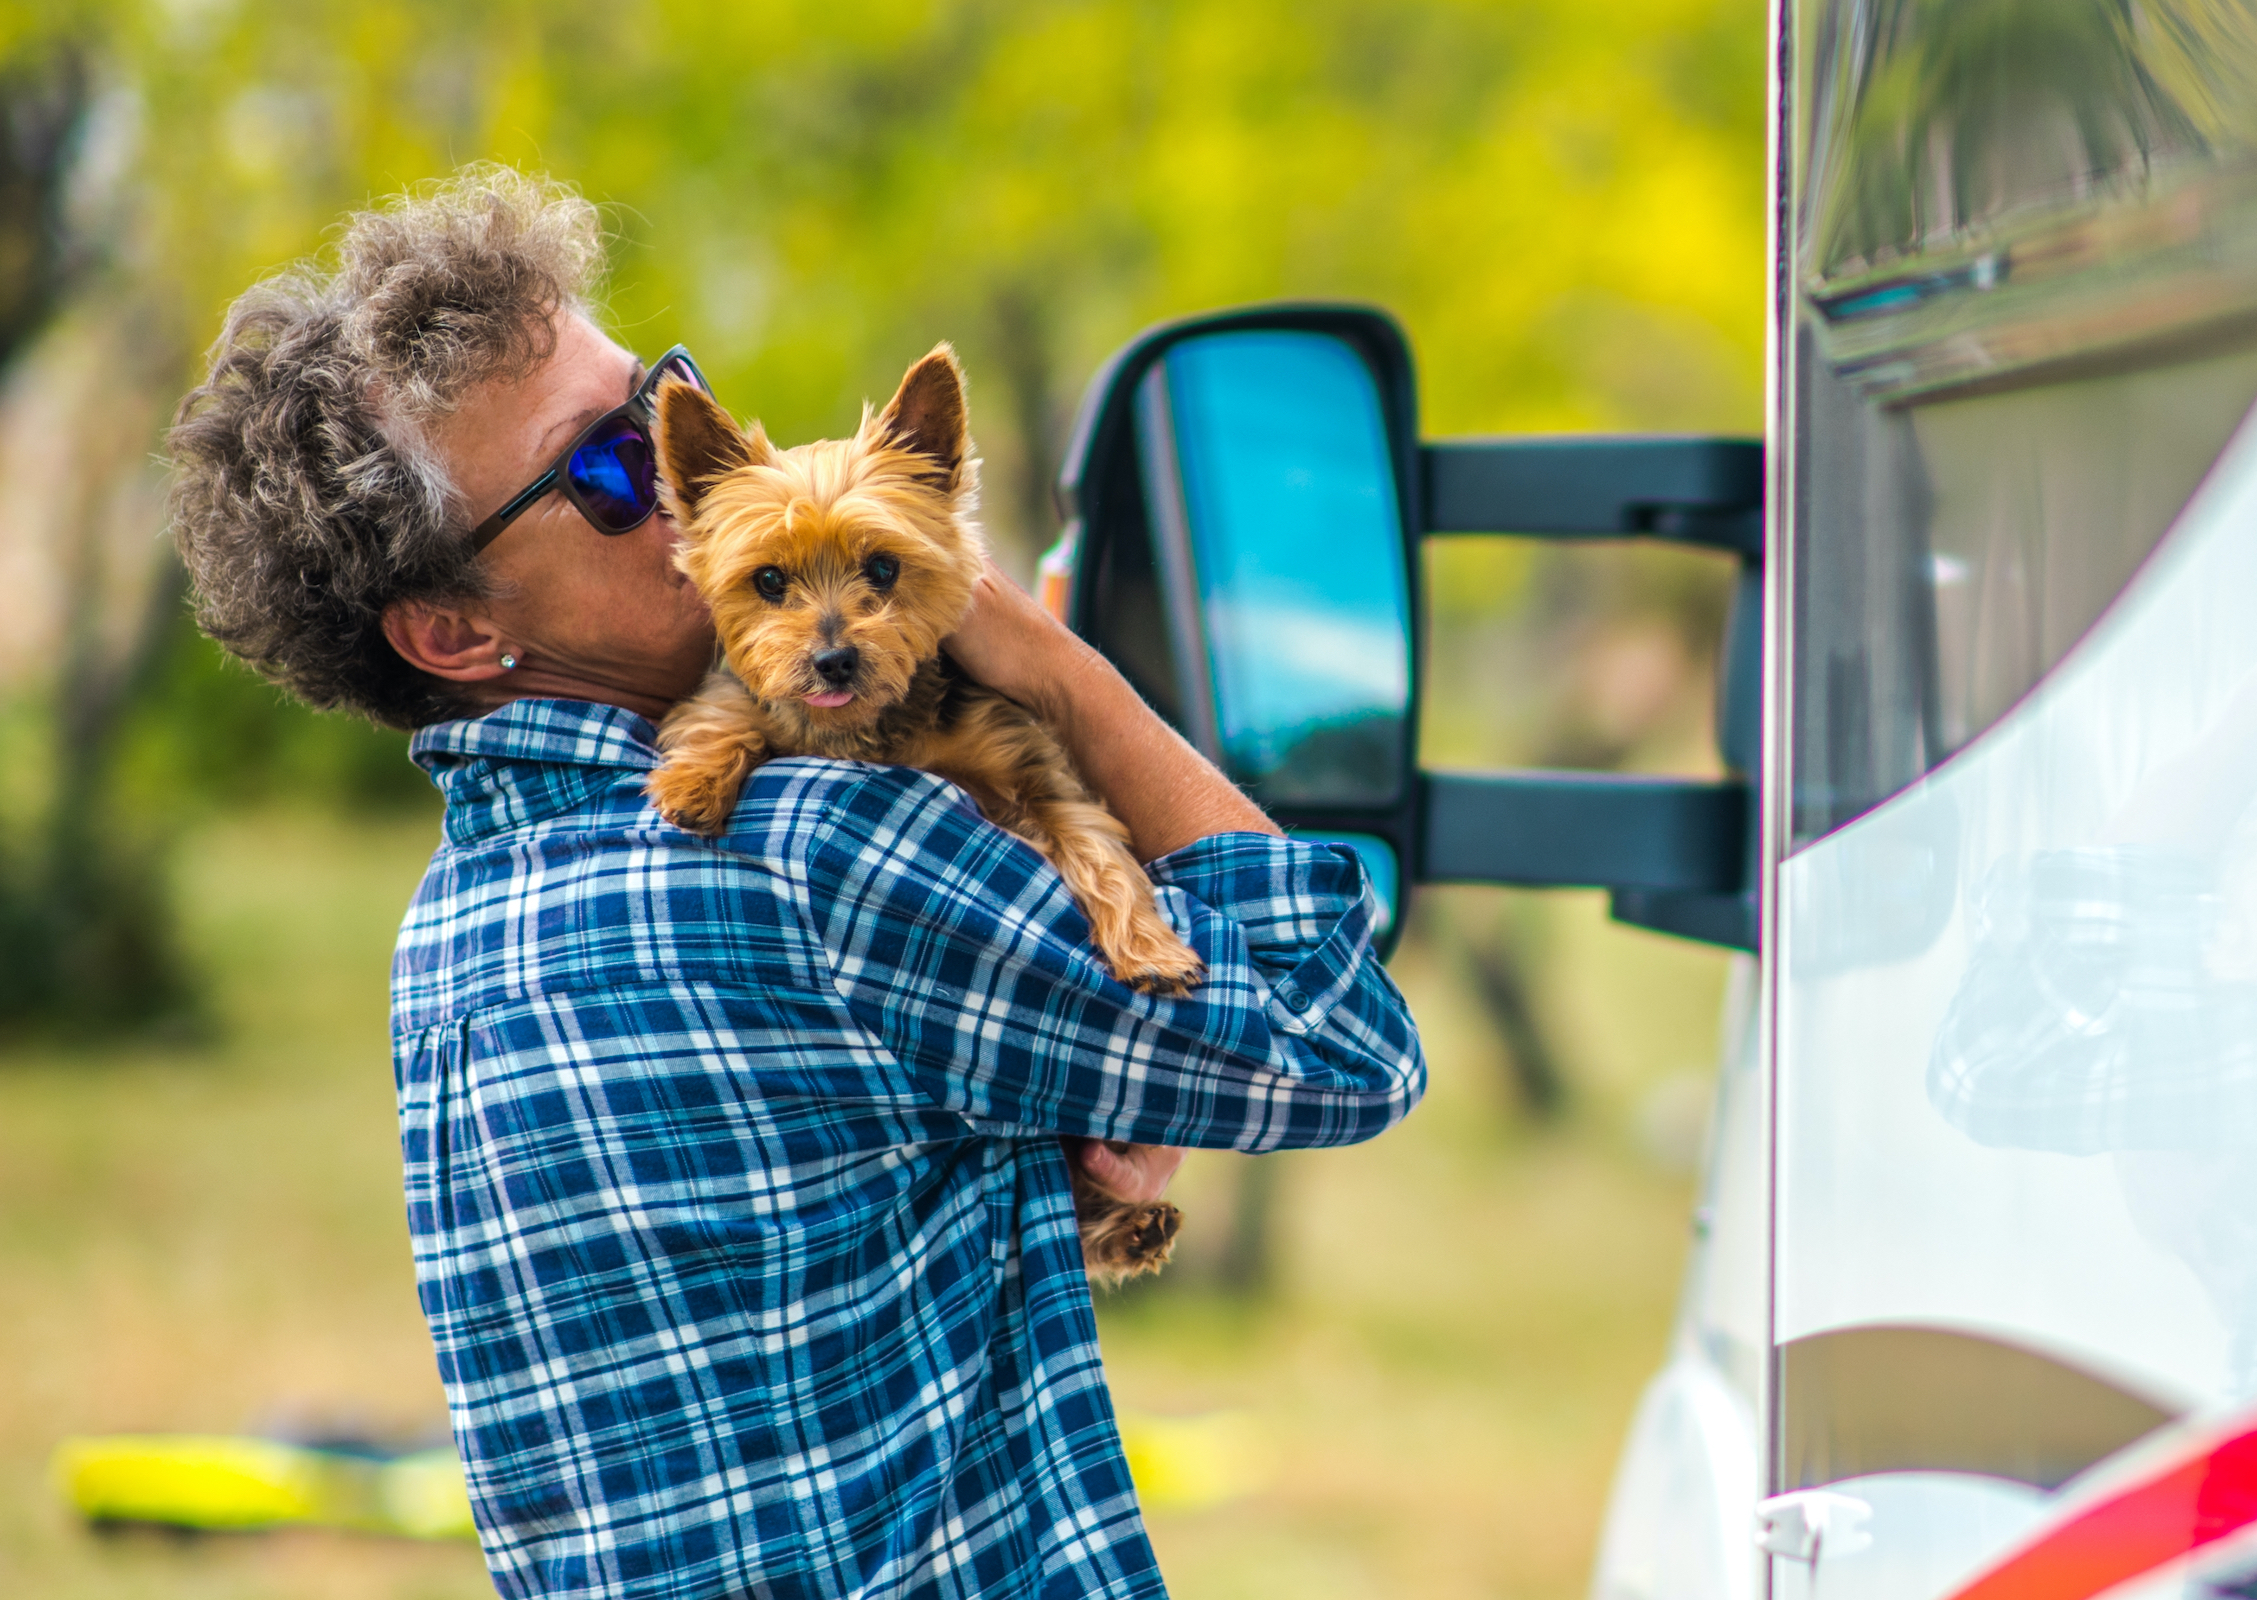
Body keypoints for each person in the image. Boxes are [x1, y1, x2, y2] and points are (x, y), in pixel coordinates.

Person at [165, 166, 1425, 1599]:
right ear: (454, 631)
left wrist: (1067, 1095)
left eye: (669, 401)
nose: (687, 482)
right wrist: (1049, 663)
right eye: (611, 471)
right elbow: (1343, 1042)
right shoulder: (813, 849)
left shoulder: (449, 940)